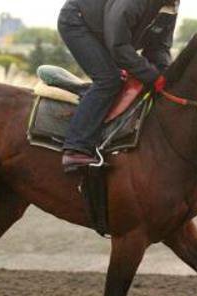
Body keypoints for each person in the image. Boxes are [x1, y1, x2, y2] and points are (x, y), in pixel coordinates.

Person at [58, 0, 179, 172]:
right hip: (77, 22)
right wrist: (151, 75)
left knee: (135, 80)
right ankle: (75, 148)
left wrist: (166, 76)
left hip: (107, 32)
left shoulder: (171, 5)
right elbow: (118, 45)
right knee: (109, 80)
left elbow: (159, 47)